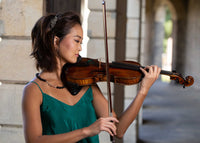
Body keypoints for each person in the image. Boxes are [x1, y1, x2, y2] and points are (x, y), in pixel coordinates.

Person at [22, 11, 161, 143]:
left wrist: (143, 90)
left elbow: (118, 130)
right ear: (56, 41)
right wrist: (87, 131)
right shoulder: (34, 90)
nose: (80, 48)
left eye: (81, 42)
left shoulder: (86, 82)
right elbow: (34, 140)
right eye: (77, 41)